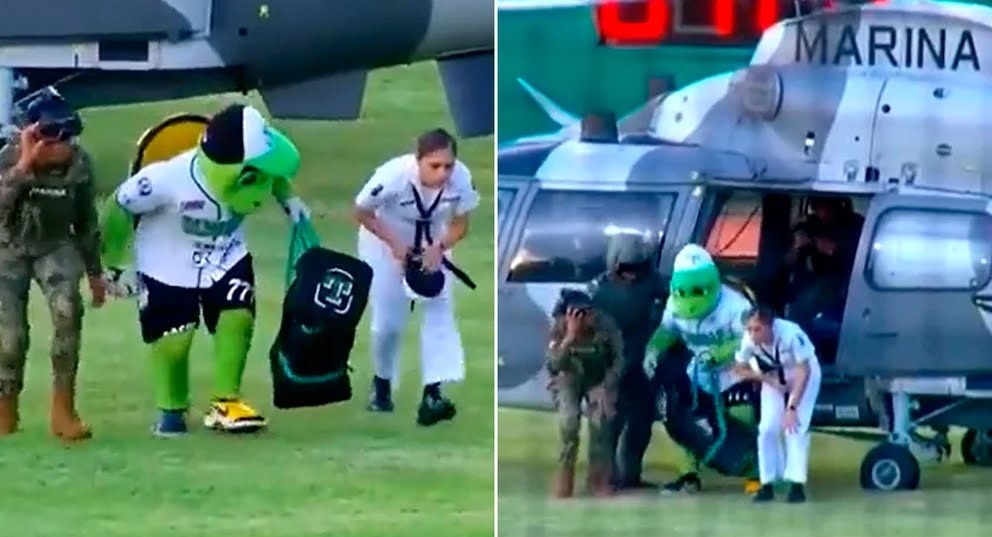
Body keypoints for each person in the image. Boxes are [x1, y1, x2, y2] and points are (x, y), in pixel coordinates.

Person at [100, 103, 309, 437]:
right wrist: (111, 261)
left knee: (237, 318)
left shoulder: (254, 169)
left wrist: (290, 200)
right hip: (166, 261)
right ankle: (171, 409)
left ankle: (227, 402)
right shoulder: (165, 180)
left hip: (226, 254)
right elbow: (120, 205)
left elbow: (274, 174)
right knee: (173, 342)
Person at [354, 128, 480, 426]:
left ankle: (433, 392)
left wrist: (439, 248)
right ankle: (382, 384)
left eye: (448, 165)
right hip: (385, 240)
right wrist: (396, 246)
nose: (443, 173)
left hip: (432, 243)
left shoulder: (461, 179)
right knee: (388, 323)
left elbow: (461, 223)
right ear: (418, 160)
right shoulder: (394, 175)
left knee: (440, 313)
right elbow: (361, 211)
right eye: (435, 165)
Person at [0, 90, 106, 441]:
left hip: (56, 245)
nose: (61, 146)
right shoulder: (8, 158)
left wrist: (94, 272)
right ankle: (5, 409)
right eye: (51, 136)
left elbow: (86, 220)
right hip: (8, 248)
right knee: (9, 338)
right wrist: (23, 167)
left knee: (67, 313)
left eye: (68, 137)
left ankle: (64, 411)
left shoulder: (79, 164)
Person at [643, 243, 761, 494]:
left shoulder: (735, 306)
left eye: (697, 291)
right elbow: (668, 331)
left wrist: (721, 353)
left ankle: (756, 474)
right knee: (684, 422)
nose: (690, 300)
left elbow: (754, 338)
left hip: (734, 374)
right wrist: (653, 349)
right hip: (697, 375)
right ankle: (688, 476)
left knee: (743, 418)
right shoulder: (674, 305)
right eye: (684, 292)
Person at [588, 233, 666, 490]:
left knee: (641, 423)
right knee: (610, 424)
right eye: (627, 269)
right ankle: (605, 478)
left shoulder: (654, 285)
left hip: (643, 366)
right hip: (614, 367)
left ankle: (631, 476)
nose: (632, 274)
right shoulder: (600, 292)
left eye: (637, 268)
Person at [733, 305, 822, 503]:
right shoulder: (749, 340)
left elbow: (803, 371)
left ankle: (796, 485)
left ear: (770, 326)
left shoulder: (791, 334)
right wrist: (767, 379)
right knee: (766, 429)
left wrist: (791, 408)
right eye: (749, 329)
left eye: (758, 329)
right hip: (773, 375)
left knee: (795, 427)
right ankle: (767, 483)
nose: (753, 334)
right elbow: (739, 368)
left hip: (802, 373)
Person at [546, 289, 622, 498]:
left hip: (599, 378)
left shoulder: (605, 325)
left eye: (587, 312)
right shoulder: (559, 327)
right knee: (569, 423)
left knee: (600, 423)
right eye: (578, 313)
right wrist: (569, 337)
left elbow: (618, 360)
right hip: (569, 377)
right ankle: (564, 479)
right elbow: (554, 364)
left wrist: (606, 386)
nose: (585, 317)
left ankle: (598, 480)